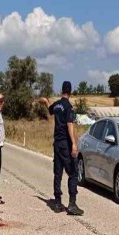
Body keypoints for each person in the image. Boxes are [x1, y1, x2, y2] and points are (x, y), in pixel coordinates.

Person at [39, 81, 84, 216]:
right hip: (65, 143)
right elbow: (70, 125)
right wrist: (74, 144)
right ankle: (72, 204)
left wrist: (46, 101)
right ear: (70, 92)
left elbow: (50, 109)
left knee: (58, 173)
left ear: (62, 91)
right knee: (73, 173)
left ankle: (57, 202)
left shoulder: (57, 105)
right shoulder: (68, 107)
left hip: (56, 143)